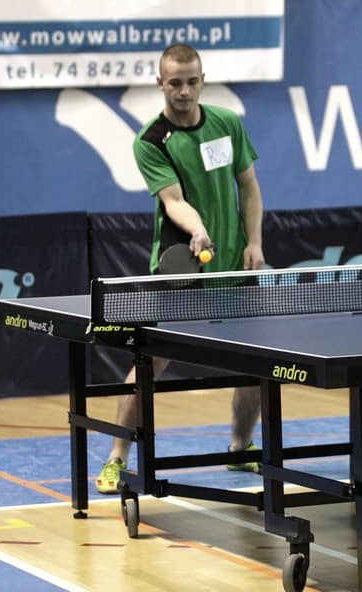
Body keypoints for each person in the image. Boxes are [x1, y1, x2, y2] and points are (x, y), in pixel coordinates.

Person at [96, 43, 266, 494]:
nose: (184, 91)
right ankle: (117, 456)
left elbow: (249, 187)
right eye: (175, 83)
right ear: (161, 83)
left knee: (258, 363)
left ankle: (240, 446)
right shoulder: (151, 141)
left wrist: (254, 242)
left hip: (233, 266)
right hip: (182, 267)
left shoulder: (227, 123)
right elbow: (173, 201)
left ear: (202, 81)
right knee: (149, 362)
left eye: (192, 82)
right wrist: (198, 229)